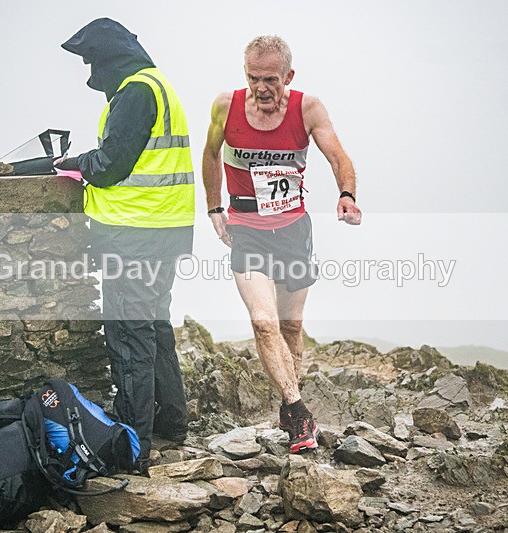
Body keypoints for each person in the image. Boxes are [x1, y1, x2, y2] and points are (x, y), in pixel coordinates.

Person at [202, 36, 362, 453]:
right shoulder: (226, 106)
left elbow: (338, 156)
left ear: (288, 76)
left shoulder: (308, 108)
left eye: (270, 79)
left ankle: (291, 393)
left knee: (291, 325)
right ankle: (297, 411)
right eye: (253, 78)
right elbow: (210, 153)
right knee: (262, 321)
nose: (261, 88)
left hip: (293, 229)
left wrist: (347, 195)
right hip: (246, 228)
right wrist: (214, 207)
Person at [57, 18, 194, 474]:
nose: (89, 72)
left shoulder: (134, 91)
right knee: (153, 326)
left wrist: (75, 162)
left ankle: (133, 442)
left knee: (129, 334)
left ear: (110, 58)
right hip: (168, 228)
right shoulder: (157, 85)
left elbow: (112, 165)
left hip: (134, 233)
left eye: (91, 61)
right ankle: (172, 423)